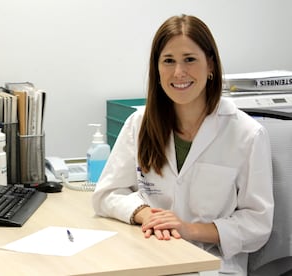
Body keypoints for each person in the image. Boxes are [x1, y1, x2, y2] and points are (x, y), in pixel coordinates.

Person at [92, 14, 274, 275]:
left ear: (210, 65)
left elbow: (257, 224)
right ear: (157, 68)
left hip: (211, 265)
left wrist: (189, 229)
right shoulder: (139, 123)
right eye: (168, 61)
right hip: (148, 253)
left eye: (189, 59)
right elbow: (107, 194)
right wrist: (147, 214)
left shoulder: (247, 133)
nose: (179, 72)